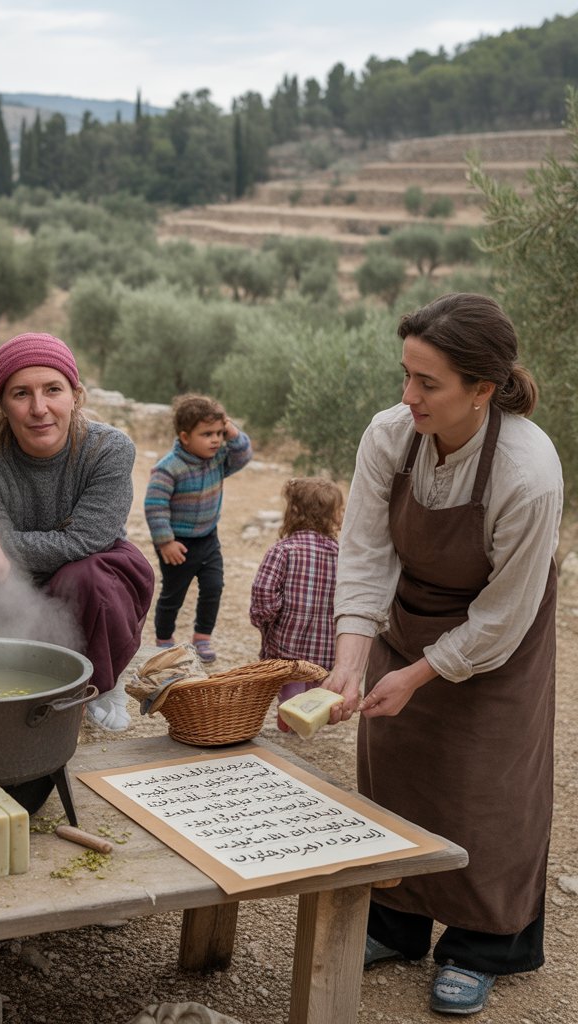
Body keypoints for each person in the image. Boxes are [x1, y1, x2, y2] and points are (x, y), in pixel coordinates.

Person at [324, 293, 562, 1016]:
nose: (408, 396)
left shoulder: (528, 470)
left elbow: (502, 615)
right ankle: (395, 923)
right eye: (406, 375)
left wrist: (424, 672)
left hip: (499, 635)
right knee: (392, 769)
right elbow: (364, 552)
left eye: (428, 383)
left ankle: (483, 942)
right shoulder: (389, 435)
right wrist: (351, 656)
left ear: (482, 389)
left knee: (486, 786)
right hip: (407, 615)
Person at [0, 332, 155, 728]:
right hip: (13, 586)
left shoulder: (108, 449)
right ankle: (14, 682)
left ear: (76, 395)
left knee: (90, 575)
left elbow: (85, 540)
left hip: (87, 572)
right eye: (21, 394)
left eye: (53, 389)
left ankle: (103, 682)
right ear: (2, 404)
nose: (39, 408)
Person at [143, 393, 252, 663]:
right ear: (185, 436)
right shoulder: (169, 468)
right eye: (207, 434)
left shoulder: (218, 459)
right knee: (173, 594)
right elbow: (155, 506)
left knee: (213, 587)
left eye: (219, 432)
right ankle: (164, 640)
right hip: (178, 544)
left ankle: (202, 638)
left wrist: (231, 429)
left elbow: (244, 454)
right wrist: (165, 541)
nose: (216, 439)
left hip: (208, 538)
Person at [249, 477, 343, 730]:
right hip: (324, 643)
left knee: (291, 681)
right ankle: (309, 718)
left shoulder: (283, 550)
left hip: (286, 640)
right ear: (332, 516)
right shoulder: (341, 553)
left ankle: (288, 717)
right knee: (315, 682)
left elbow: (264, 590)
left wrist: (265, 618)